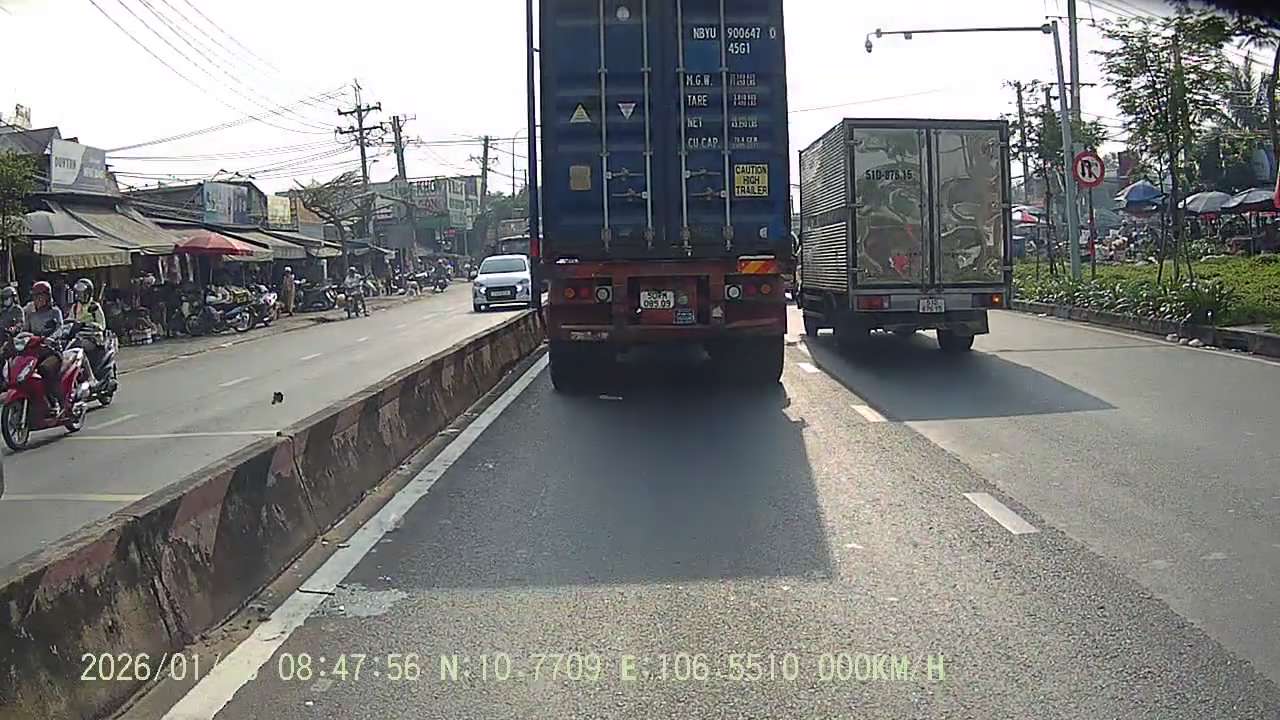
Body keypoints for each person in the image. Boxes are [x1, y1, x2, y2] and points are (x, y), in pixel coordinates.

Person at [22, 281, 66, 415]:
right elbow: (25, 331)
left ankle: (55, 402)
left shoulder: (55, 312)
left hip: (52, 351)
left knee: (45, 369)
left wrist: (51, 339)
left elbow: (60, 329)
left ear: (48, 297)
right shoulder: (31, 315)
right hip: (34, 352)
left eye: (41, 296)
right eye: (36, 297)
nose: (38, 300)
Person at [70, 278, 107, 373]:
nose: (79, 296)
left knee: (80, 347)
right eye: (78, 293)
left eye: (82, 294)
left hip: (92, 338)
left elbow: (102, 325)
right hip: (76, 336)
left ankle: (90, 375)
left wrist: (87, 325)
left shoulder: (94, 306)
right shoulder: (74, 307)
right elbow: (70, 320)